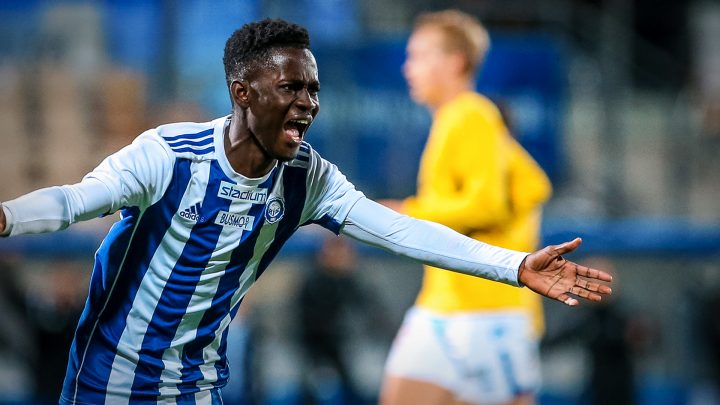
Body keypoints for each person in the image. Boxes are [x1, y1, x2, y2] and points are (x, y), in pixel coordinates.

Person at [0, 18, 612, 405]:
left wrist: (514, 265)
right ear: (243, 93)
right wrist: (5, 217)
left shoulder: (308, 177)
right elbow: (72, 202)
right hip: (109, 384)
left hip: (199, 388)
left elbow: (400, 231)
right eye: (291, 88)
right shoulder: (168, 155)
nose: (307, 103)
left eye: (313, 89)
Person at [379, 10, 553, 405]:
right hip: (442, 306)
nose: (409, 68)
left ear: (456, 62)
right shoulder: (455, 119)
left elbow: (486, 205)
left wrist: (406, 211)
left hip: (485, 312)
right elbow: (529, 187)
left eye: (420, 56)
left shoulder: (471, 113)